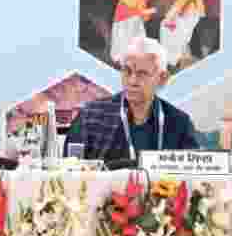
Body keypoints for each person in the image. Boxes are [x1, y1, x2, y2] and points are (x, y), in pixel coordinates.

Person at [64, 36, 199, 161]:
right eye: (127, 71)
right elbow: (69, 172)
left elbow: (193, 177)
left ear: (162, 78)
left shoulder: (179, 123)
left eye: (142, 73)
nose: (132, 81)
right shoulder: (90, 117)